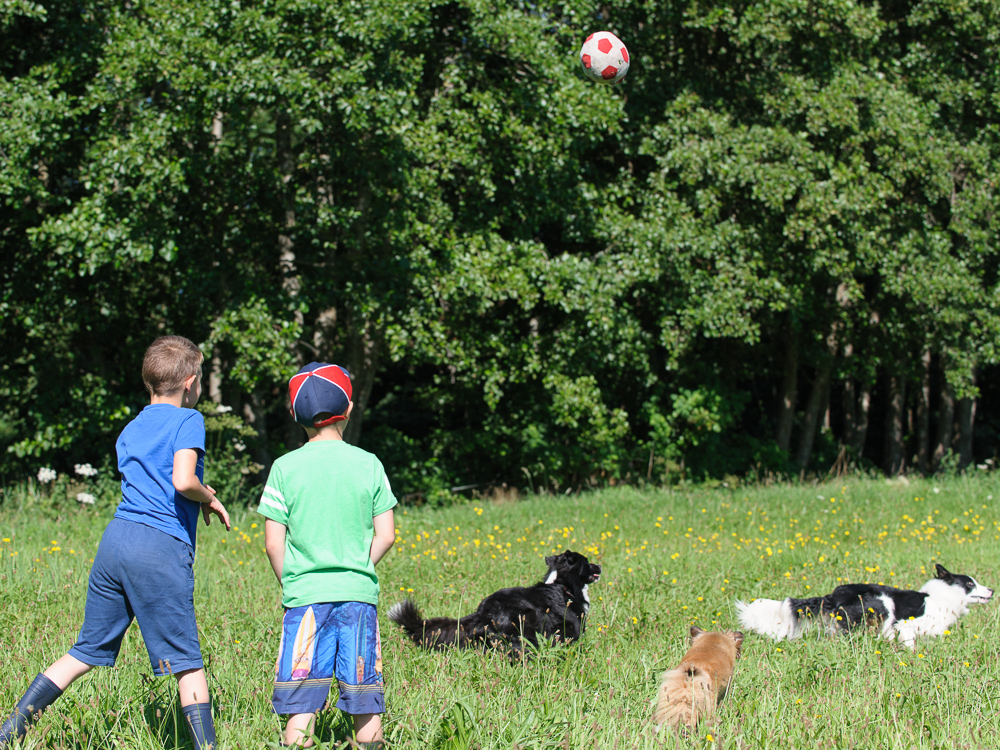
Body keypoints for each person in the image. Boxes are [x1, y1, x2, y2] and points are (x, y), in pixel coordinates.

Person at [0, 335, 231, 750]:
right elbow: (182, 480)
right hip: (158, 547)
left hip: (116, 542)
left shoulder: (132, 427)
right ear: (190, 383)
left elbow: (150, 480)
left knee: (84, 651)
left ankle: (9, 731)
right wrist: (208, 496)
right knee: (186, 662)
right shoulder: (188, 421)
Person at [258, 362, 396, 749]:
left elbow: (273, 543)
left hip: (305, 599)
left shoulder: (283, 468)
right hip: (357, 598)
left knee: (302, 702)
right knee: (364, 700)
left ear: (294, 414)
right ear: (349, 408)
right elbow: (386, 535)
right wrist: (357, 567)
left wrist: (294, 581)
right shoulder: (369, 463)